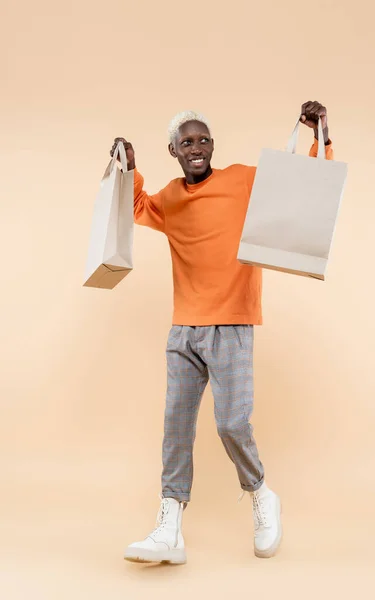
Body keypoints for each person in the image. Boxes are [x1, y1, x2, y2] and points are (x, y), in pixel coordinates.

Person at [111, 101, 334, 565]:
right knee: (176, 428)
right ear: (173, 150)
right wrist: (130, 167)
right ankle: (169, 526)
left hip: (232, 323)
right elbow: (136, 207)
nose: (197, 147)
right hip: (184, 329)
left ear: (213, 146)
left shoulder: (240, 179)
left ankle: (260, 494)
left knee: (231, 423)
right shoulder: (171, 198)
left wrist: (320, 136)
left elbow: (302, 185)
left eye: (204, 139)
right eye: (187, 141)